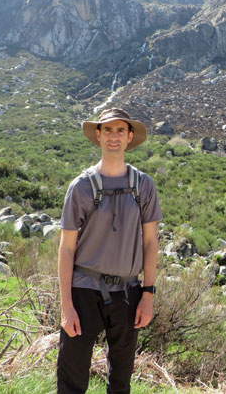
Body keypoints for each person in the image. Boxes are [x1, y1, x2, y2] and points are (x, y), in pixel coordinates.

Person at [57, 107, 161, 394]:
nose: (113, 136)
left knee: (120, 382)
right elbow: (66, 248)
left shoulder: (144, 186)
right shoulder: (80, 187)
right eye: (107, 130)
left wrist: (148, 294)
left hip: (128, 294)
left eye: (119, 131)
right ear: (98, 136)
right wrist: (66, 306)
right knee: (72, 379)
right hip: (83, 292)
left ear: (129, 137)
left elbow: (151, 242)